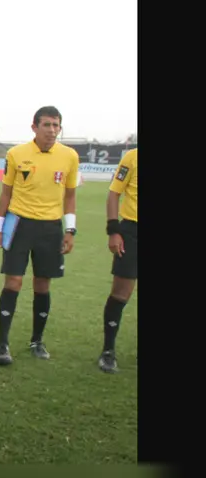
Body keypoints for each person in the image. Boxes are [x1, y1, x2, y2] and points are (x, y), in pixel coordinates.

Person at [0, 106, 79, 365]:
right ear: (34, 127)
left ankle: (37, 341)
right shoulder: (16, 154)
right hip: (19, 225)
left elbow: (70, 195)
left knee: (43, 284)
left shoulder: (69, 156)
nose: (52, 130)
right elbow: (5, 192)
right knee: (13, 282)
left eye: (56, 125)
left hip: (51, 228)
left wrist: (70, 229)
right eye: (47, 125)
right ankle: (2, 344)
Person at [100, 147, 138, 373]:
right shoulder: (132, 157)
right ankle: (108, 351)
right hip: (132, 231)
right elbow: (114, 193)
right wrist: (114, 230)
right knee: (121, 293)